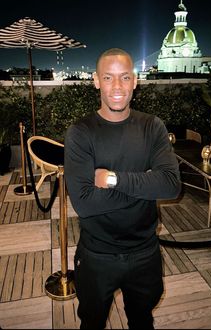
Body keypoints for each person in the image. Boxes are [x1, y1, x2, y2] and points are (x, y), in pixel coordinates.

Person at [64, 48, 181, 329]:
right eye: (108, 77)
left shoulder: (152, 126)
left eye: (125, 77)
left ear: (135, 80)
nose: (117, 86)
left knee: (142, 320)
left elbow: (171, 186)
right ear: (96, 81)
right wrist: (145, 185)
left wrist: (114, 179)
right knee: (91, 322)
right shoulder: (80, 132)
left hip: (145, 252)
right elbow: (84, 203)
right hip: (96, 255)